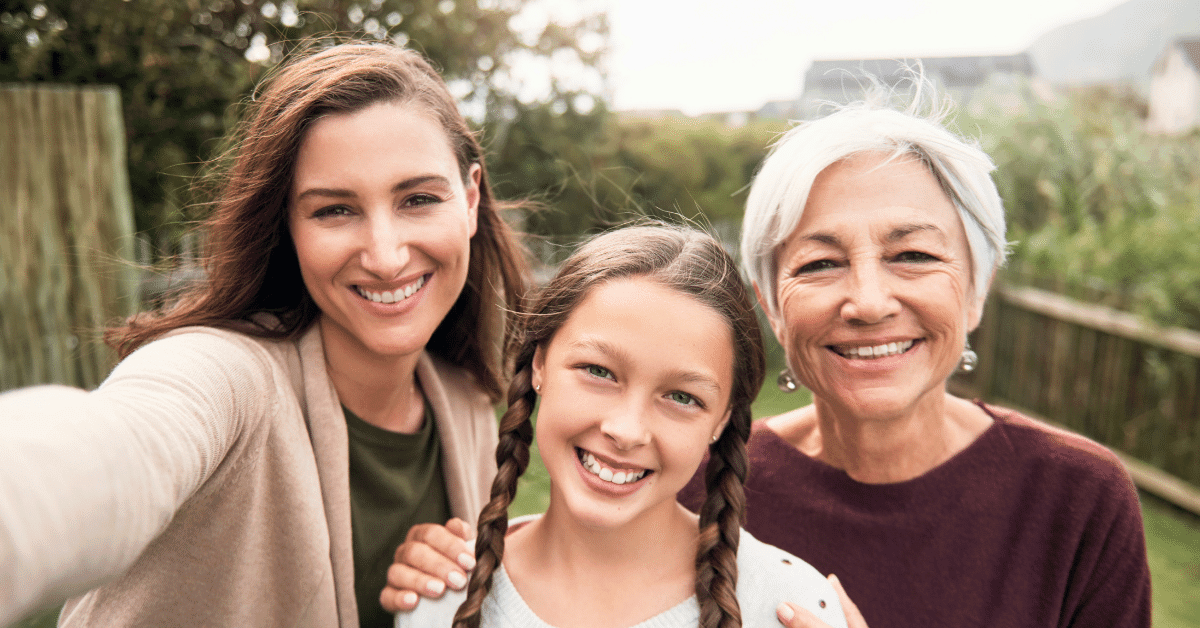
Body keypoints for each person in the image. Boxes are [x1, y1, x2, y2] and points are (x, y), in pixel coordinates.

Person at [383, 88, 1152, 628]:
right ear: (772, 303)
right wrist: (456, 556)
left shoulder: (1077, 500)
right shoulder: (695, 476)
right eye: (819, 264)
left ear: (978, 287)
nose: (869, 300)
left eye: (914, 254)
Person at [0, 42, 529, 628]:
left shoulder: (470, 403)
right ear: (288, 227)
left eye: (419, 199)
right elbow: (117, 449)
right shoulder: (226, 376)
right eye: (334, 210)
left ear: (472, 197)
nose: (385, 255)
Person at [396, 224, 853, 628]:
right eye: (599, 371)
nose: (627, 429)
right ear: (540, 365)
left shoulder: (787, 605)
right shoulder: (442, 593)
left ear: (722, 421)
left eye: (681, 397)